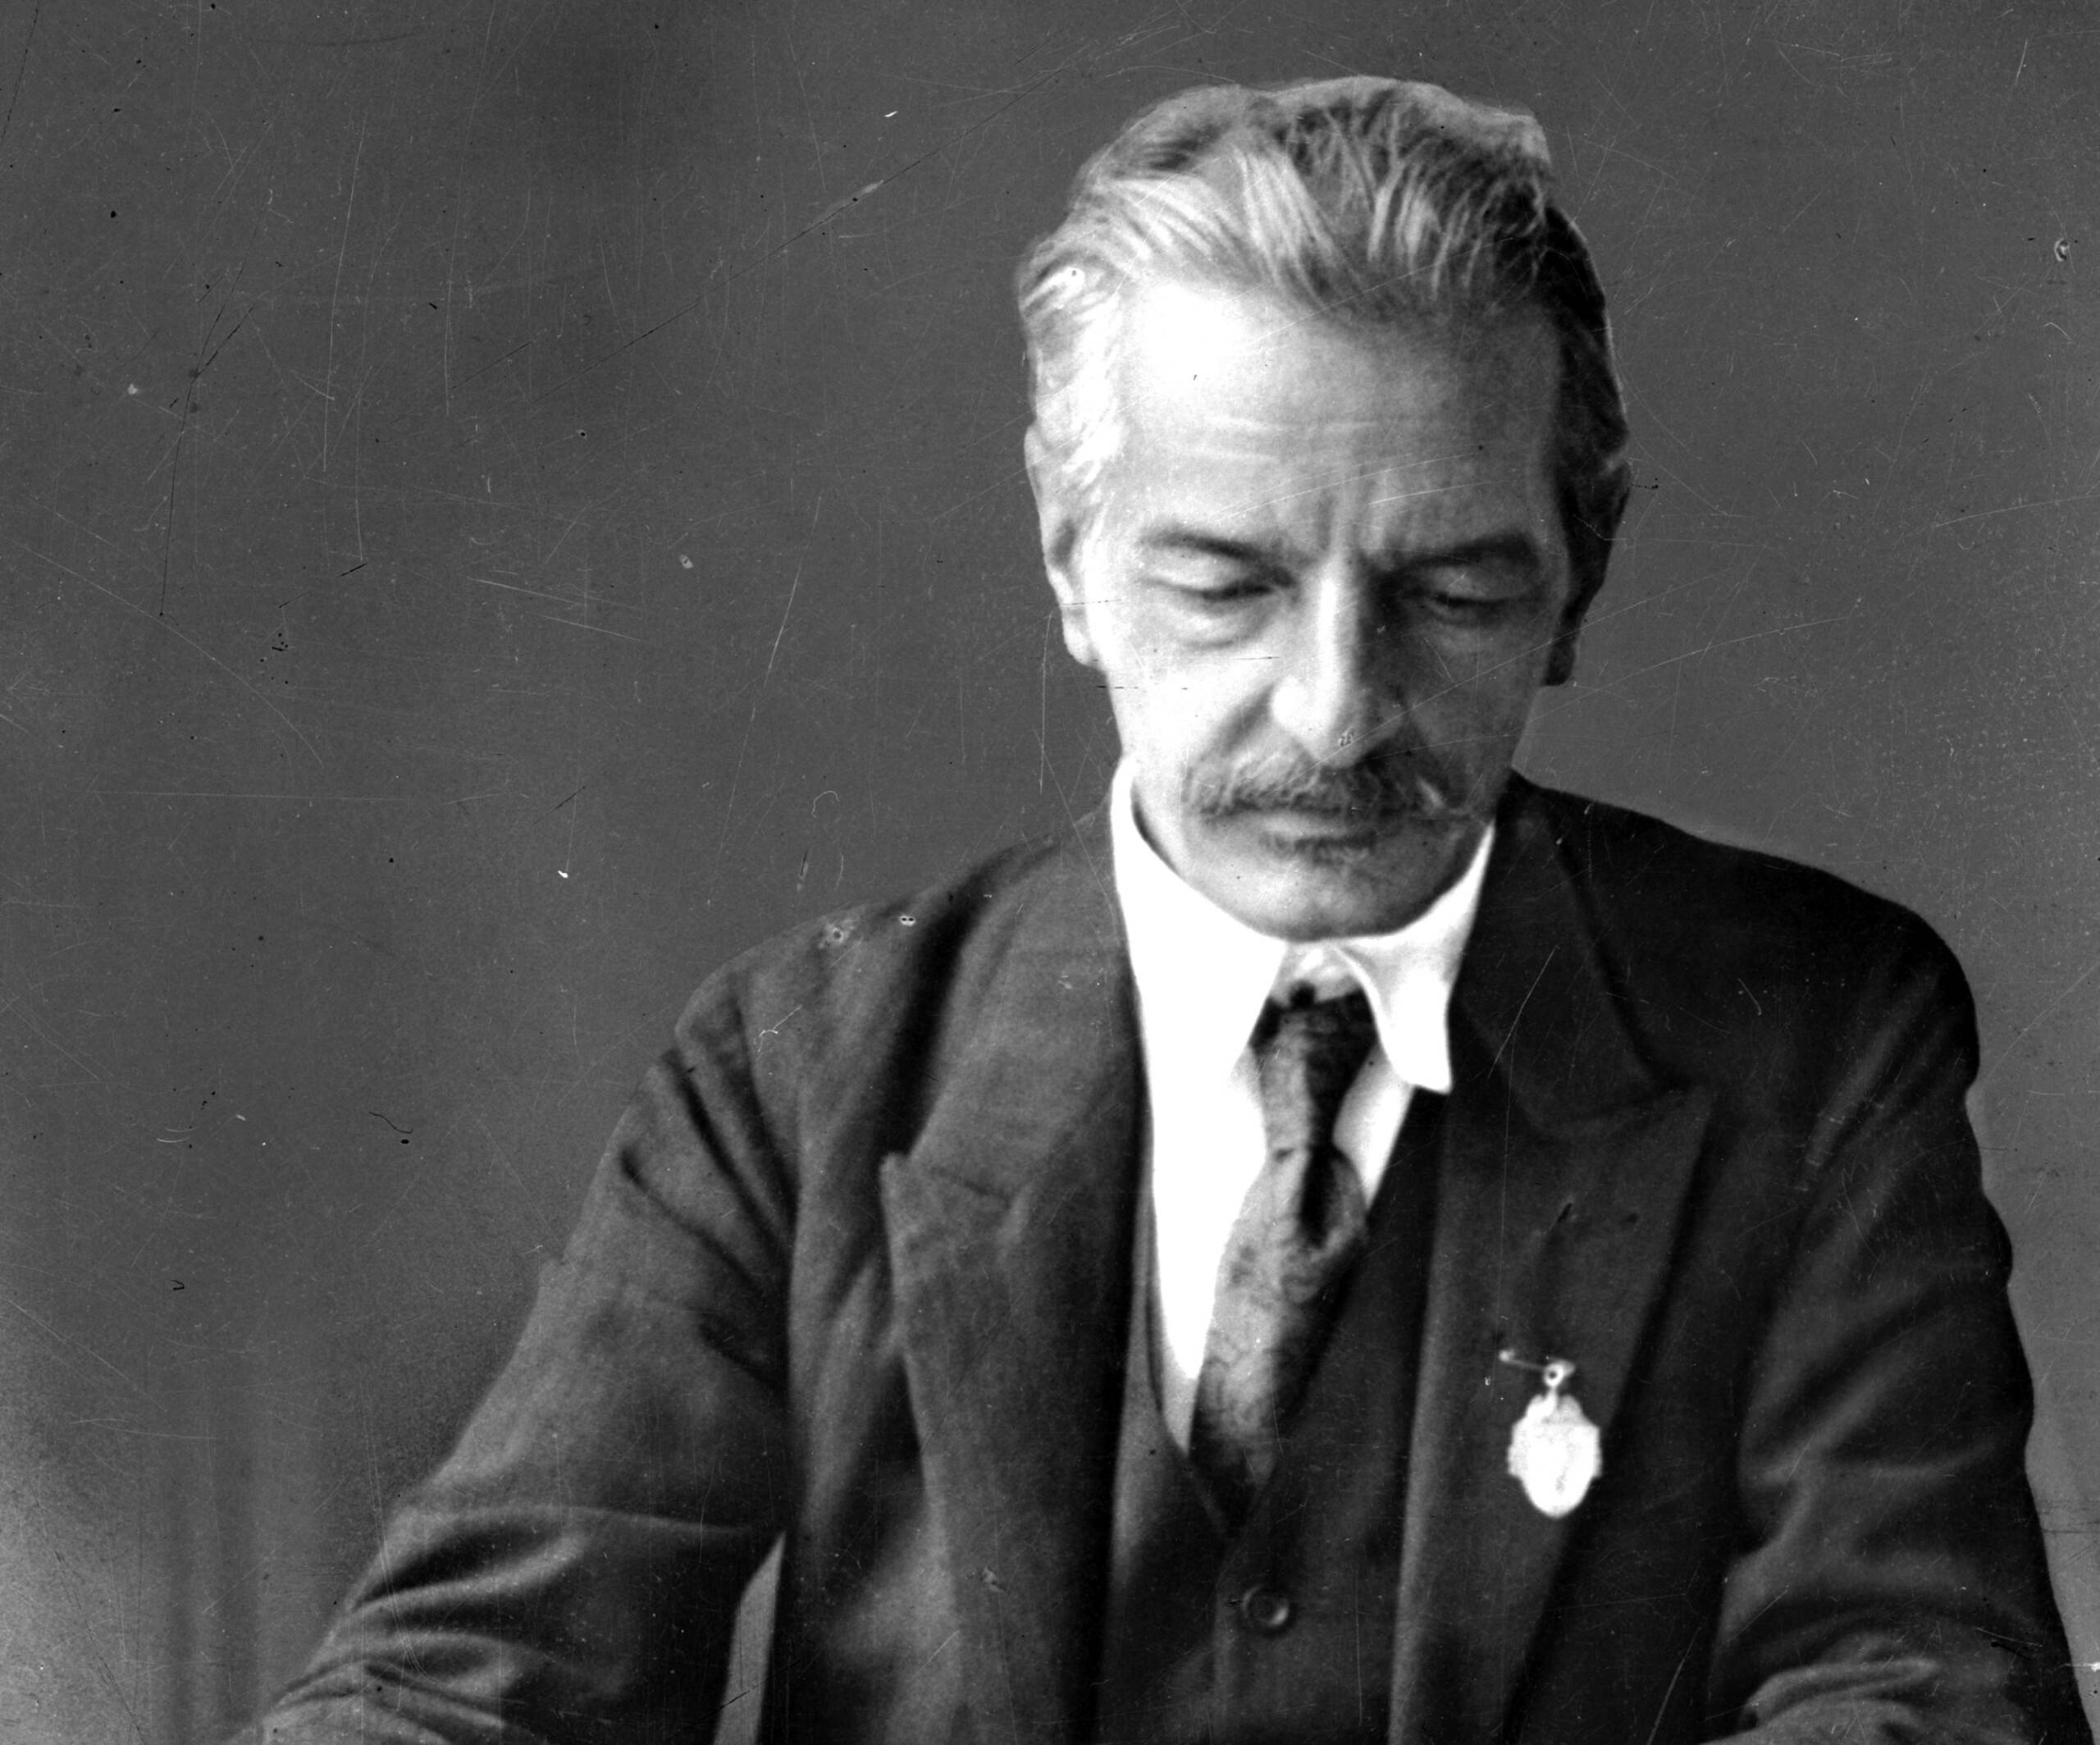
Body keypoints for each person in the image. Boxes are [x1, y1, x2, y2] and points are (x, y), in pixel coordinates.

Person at [239, 77, 2087, 1745]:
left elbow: (1923, 1687)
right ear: (1071, 562)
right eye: (1222, 587)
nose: (1336, 713)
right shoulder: (794, 1072)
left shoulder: (1817, 1030)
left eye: (1452, 593)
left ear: (1573, 586)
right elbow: (456, 1688)